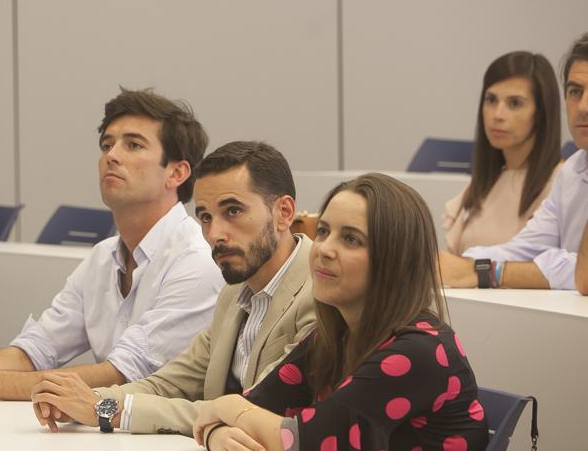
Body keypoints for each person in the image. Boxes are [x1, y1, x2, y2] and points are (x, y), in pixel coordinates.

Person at [0, 88, 223, 401]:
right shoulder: (103, 256)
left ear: (177, 173)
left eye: (133, 145)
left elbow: (122, 376)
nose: (111, 156)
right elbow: (37, 349)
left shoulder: (196, 261)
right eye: (107, 144)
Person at [31, 141, 318, 435]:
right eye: (205, 217)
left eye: (232, 211)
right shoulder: (233, 294)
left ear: (283, 213)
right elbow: (170, 382)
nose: (214, 234)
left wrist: (102, 411)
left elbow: (253, 410)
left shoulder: (319, 294)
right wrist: (85, 401)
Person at [191, 174, 489, 451]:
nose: (324, 249)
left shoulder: (419, 351)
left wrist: (229, 410)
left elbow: (306, 441)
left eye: (351, 239)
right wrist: (217, 433)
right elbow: (258, 404)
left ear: (393, 259)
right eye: (323, 231)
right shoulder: (334, 336)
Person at [440, 32, 588, 291]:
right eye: (575, 91)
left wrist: (486, 271)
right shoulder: (574, 172)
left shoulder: (558, 173)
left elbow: (583, 274)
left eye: (515, 103)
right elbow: (526, 248)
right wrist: (456, 265)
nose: (584, 106)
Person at [442, 51, 561, 255]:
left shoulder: (561, 183)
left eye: (515, 103)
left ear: (541, 113)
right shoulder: (482, 183)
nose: (497, 115)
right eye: (491, 100)